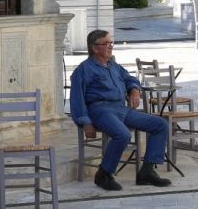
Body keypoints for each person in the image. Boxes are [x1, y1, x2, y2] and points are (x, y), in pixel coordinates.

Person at [69, 29, 172, 190]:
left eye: (111, 42)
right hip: (100, 110)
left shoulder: (114, 66)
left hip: (121, 108)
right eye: (106, 43)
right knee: (123, 134)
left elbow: (130, 79)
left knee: (160, 124)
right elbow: (77, 99)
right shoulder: (83, 70)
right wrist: (85, 122)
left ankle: (146, 172)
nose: (110, 46)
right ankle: (103, 174)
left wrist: (134, 89)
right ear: (94, 48)